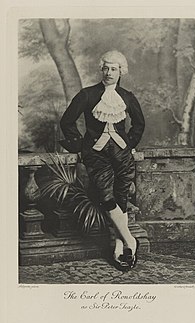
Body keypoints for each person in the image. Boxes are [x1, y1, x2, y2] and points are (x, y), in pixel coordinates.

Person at [60, 50, 145, 271]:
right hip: (96, 155)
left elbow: (139, 124)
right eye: (106, 68)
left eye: (114, 69)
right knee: (106, 197)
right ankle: (131, 241)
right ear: (102, 70)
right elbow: (67, 121)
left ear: (121, 72)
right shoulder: (87, 95)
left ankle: (118, 248)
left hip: (122, 154)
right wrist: (80, 145)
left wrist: (130, 144)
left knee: (121, 198)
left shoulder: (127, 97)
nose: (109, 72)